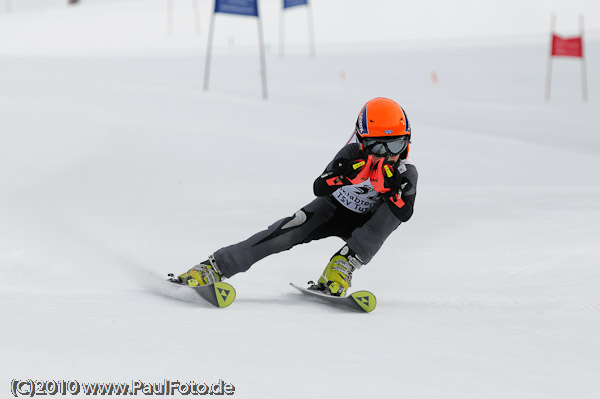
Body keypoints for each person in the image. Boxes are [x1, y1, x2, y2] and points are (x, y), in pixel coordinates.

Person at [172, 97, 418, 297]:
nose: (386, 155)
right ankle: (214, 267)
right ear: (362, 141)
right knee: (284, 232)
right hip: (332, 209)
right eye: (377, 146)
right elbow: (320, 187)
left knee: (391, 213)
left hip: (368, 225)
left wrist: (389, 188)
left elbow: (404, 213)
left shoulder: (404, 172)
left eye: (394, 146)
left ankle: (342, 265)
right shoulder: (352, 153)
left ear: (406, 144)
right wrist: (347, 175)